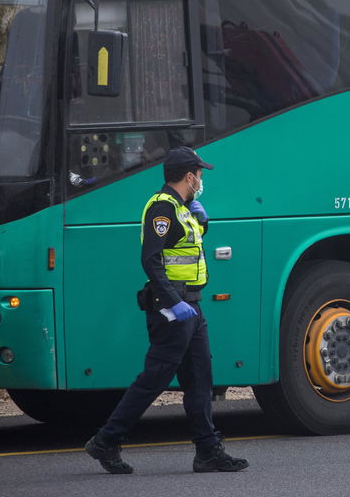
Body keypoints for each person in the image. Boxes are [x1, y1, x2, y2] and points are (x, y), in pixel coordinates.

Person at [84, 146, 249, 474]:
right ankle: (106, 440)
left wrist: (202, 222)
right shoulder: (162, 208)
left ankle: (207, 450)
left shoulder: (181, 207)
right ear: (189, 176)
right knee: (155, 377)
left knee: (201, 377)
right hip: (173, 308)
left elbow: (185, 246)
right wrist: (174, 301)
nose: (201, 180)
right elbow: (151, 259)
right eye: (199, 174)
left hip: (192, 306)